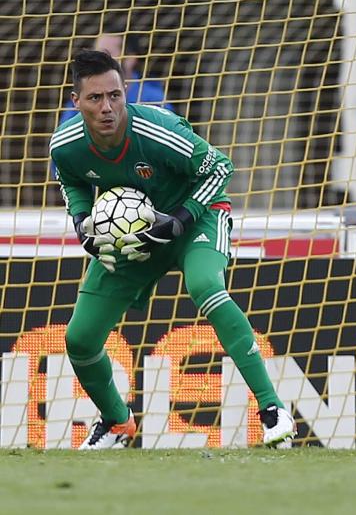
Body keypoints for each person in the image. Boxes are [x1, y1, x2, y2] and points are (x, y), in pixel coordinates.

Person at [49, 49, 295, 449]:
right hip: (135, 234)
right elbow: (71, 180)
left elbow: (220, 168)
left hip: (196, 217)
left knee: (205, 287)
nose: (108, 107)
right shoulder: (65, 144)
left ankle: (272, 410)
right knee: (79, 339)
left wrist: (181, 216)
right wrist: (81, 220)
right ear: (75, 102)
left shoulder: (155, 129)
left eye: (115, 95)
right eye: (95, 99)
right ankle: (116, 422)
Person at [58, 32, 174, 124]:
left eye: (106, 54)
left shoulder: (154, 100)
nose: (97, 61)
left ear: (131, 59)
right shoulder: (83, 100)